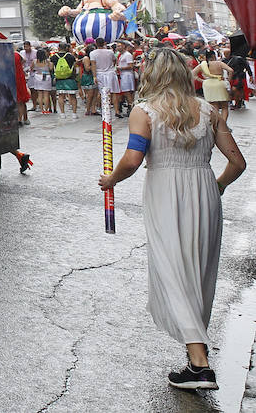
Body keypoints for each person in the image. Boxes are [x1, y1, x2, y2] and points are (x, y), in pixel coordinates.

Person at [98, 47, 245, 391]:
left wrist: (111, 180)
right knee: (198, 272)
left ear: (152, 74)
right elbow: (238, 163)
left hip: (165, 191)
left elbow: (133, 159)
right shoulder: (209, 111)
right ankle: (196, 359)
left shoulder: (144, 112)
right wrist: (219, 186)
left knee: (172, 270)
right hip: (205, 190)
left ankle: (200, 364)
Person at [193, 50, 231, 125]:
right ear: (214, 56)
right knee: (224, 106)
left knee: (214, 106)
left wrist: (202, 80)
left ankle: (216, 124)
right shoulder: (219, 63)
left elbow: (193, 73)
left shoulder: (202, 65)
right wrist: (228, 80)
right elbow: (231, 70)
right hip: (220, 83)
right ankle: (223, 124)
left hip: (208, 84)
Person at [116, 43, 137, 114]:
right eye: (117, 46)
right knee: (126, 92)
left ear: (123, 46)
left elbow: (130, 66)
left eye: (119, 46)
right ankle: (130, 106)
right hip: (123, 75)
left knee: (127, 91)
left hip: (127, 75)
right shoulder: (121, 55)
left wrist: (120, 67)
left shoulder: (127, 55)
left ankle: (131, 106)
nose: (117, 48)